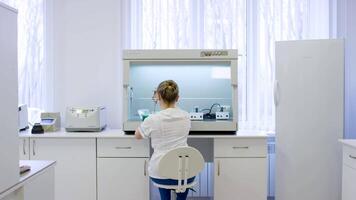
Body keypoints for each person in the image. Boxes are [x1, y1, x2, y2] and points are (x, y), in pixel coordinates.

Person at [135, 80, 193, 200]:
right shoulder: (186, 116)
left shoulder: (153, 119)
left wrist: (145, 123)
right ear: (177, 98)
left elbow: (138, 135)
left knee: (163, 168)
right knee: (181, 175)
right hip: (185, 172)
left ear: (158, 96)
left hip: (161, 173)